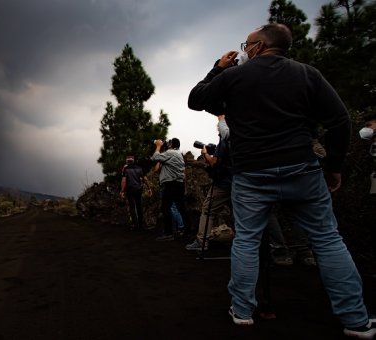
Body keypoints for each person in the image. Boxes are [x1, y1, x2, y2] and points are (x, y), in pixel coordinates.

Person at [188, 23, 374, 338]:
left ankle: (243, 311)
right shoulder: (307, 74)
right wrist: (333, 166)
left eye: (246, 45)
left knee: (246, 241)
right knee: (328, 240)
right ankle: (355, 320)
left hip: (251, 173)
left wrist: (217, 69)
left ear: (259, 46)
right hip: (302, 168)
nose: (243, 51)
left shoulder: (234, 77)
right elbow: (340, 120)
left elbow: (197, 99)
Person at [186, 115, 232, 252]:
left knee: (207, 210)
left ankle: (201, 242)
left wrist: (206, 154)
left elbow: (214, 163)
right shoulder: (239, 139)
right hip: (240, 182)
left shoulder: (224, 141)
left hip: (223, 183)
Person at [150, 138, 191, 240]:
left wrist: (158, 146)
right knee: (181, 207)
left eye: (169, 143)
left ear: (171, 144)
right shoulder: (178, 154)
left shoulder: (171, 153)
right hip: (178, 184)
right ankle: (187, 231)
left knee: (165, 208)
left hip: (170, 184)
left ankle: (168, 233)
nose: (167, 144)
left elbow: (155, 157)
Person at [120, 155, 153, 231]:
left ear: (127, 161)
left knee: (132, 207)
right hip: (138, 189)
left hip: (130, 189)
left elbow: (124, 181)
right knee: (139, 206)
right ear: (133, 161)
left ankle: (135, 225)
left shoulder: (126, 169)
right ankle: (141, 224)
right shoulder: (139, 168)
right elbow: (145, 179)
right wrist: (149, 188)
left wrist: (122, 191)